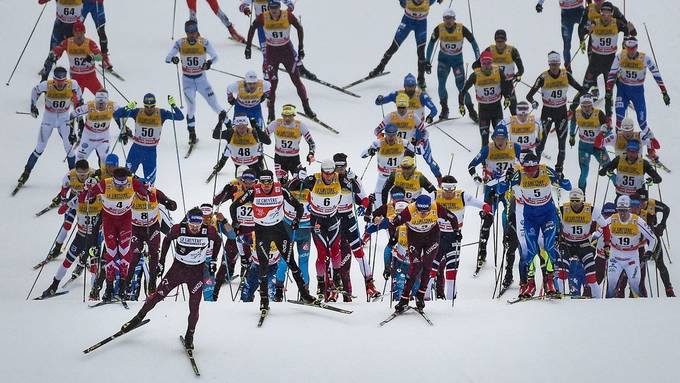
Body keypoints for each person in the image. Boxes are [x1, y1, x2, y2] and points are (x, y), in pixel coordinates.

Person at [120, 208, 222, 350]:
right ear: (187, 220)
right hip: (177, 270)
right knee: (157, 295)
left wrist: (213, 260)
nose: (194, 227)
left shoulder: (209, 231)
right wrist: (161, 261)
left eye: (197, 224)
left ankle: (190, 336)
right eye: (192, 223)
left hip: (196, 273)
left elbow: (218, 241)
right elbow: (167, 240)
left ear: (202, 223)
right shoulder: (178, 229)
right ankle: (136, 319)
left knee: (194, 306)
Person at [229, 170, 317, 312]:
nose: (266, 186)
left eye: (269, 182)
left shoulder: (280, 190)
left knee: (291, 263)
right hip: (262, 232)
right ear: (260, 183)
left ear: (272, 181)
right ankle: (264, 301)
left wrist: (296, 220)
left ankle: (305, 295)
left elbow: (298, 206)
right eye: (263, 183)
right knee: (263, 267)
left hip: (279, 230)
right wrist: (235, 222)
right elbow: (234, 206)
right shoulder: (253, 191)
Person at [497, 152, 572, 298]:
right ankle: (529, 283)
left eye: (532, 169)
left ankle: (549, 281)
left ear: (537, 166)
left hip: (547, 214)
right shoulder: (519, 174)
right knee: (529, 250)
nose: (529, 173)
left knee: (549, 246)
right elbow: (500, 190)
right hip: (529, 216)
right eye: (527, 169)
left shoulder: (546, 171)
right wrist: (507, 179)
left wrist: (561, 179)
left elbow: (568, 186)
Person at [380, 194, 458, 312]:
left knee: (427, 266)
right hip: (414, 239)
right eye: (420, 211)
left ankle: (420, 296)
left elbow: (452, 217)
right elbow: (393, 223)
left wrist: (456, 231)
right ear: (416, 207)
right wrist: (392, 237)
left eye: (425, 211)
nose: (422, 214)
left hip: (432, 238)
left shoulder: (436, 207)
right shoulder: (409, 210)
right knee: (415, 267)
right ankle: (404, 299)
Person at [84, 167, 150, 301]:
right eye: (118, 184)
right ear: (113, 180)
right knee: (111, 253)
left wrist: (145, 191)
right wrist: (89, 194)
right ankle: (108, 289)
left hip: (125, 220)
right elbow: (89, 196)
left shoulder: (132, 182)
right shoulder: (105, 183)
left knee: (125, 251)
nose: (121, 187)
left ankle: (122, 288)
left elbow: (145, 193)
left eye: (123, 184)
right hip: (109, 220)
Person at [245, 0, 316, 121]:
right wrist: (248, 47)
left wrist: (301, 47)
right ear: (269, 8)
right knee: (272, 85)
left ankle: (307, 107)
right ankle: (271, 114)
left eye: (276, 8)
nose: (274, 11)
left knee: (296, 80)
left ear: (279, 7)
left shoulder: (287, 15)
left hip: (286, 51)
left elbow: (299, 28)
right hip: (272, 53)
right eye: (272, 8)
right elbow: (252, 28)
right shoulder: (264, 17)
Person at [467, 123, 521, 269]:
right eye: (497, 138)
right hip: (491, 188)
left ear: (506, 138)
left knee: (510, 217)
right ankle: (482, 252)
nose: (500, 141)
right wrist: (476, 178)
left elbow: (522, 166)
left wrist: (515, 173)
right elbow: (471, 166)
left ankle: (508, 246)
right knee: (488, 219)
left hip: (508, 188)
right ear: (493, 138)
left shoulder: (515, 147)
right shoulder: (487, 149)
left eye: (502, 138)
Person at [18, 67, 83, 187]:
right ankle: (26, 173)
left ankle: (74, 176)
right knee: (40, 147)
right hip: (49, 118)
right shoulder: (46, 85)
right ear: (54, 80)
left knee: (68, 146)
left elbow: (79, 98)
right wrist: (33, 106)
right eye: (58, 81)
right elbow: (34, 91)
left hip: (64, 118)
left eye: (62, 80)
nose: (60, 83)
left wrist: (79, 111)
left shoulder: (72, 84)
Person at [606, 36, 669, 159]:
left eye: (633, 48)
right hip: (623, 90)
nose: (630, 51)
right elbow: (612, 72)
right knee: (619, 120)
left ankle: (651, 149)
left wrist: (664, 92)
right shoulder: (620, 56)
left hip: (637, 91)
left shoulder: (644, 58)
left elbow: (656, 74)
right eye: (628, 48)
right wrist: (608, 90)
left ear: (636, 47)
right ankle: (620, 146)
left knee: (642, 123)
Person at [526, 51, 587, 176]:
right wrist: (533, 102)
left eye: (556, 64)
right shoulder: (543, 77)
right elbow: (529, 95)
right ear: (549, 64)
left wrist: (574, 104)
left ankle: (559, 170)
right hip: (547, 112)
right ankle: (535, 168)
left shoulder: (566, 75)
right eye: (552, 64)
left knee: (562, 144)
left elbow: (581, 90)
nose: (554, 67)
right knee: (541, 142)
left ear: (559, 64)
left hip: (561, 113)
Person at [429, 175, 490, 299]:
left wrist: (486, 209)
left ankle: (451, 300)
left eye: (452, 188)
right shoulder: (435, 195)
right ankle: (425, 298)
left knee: (452, 270)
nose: (449, 192)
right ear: (441, 187)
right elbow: (419, 205)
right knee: (431, 269)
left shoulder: (462, 196)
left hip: (454, 236)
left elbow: (480, 203)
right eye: (446, 188)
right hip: (437, 236)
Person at [39, 176, 101, 299]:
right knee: (68, 261)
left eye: (92, 192)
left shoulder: (101, 200)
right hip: (80, 236)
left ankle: (94, 293)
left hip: (94, 238)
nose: (89, 194)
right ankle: (53, 286)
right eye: (86, 191)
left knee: (94, 266)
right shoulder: (79, 199)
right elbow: (61, 211)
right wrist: (69, 204)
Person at [166, 20, 226, 144]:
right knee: (191, 106)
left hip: (201, 80)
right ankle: (192, 133)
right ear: (186, 33)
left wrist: (209, 63)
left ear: (197, 31)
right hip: (187, 81)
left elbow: (216, 56)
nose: (191, 35)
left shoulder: (204, 42)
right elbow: (168, 58)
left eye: (193, 32)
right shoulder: (180, 43)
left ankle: (230, 126)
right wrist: (174, 58)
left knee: (214, 105)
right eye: (189, 33)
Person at [332, 153, 380, 300]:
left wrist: (370, 204)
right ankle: (332, 287)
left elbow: (363, 199)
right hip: (333, 218)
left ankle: (370, 285)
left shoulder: (352, 178)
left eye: (342, 167)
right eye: (337, 167)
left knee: (358, 252)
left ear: (346, 166)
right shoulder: (328, 178)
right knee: (331, 253)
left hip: (348, 218)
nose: (340, 170)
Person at [368, 0, 443, 89]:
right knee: (393, 47)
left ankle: (421, 79)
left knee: (421, 52)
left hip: (421, 24)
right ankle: (380, 68)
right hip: (407, 22)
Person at [112, 94, 184, 184]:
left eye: (152, 106)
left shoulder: (161, 113)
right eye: (147, 106)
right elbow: (116, 115)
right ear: (144, 105)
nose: (149, 109)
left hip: (150, 152)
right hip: (136, 150)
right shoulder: (137, 112)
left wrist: (173, 105)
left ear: (155, 105)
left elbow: (180, 117)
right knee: (126, 178)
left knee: (150, 182)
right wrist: (127, 107)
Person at [425, 8, 479, 120]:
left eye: (450, 19)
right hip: (443, 60)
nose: (448, 21)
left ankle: (471, 111)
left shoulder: (461, 29)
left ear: (454, 19)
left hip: (457, 61)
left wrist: (478, 59)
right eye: (446, 19)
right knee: (441, 84)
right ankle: (444, 109)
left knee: (461, 86)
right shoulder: (439, 28)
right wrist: (427, 61)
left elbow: (474, 43)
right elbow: (431, 44)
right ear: (443, 19)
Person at [212, 169, 257, 301]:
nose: (248, 184)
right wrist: (225, 189)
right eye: (245, 181)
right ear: (241, 180)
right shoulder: (235, 188)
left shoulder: (259, 191)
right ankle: (214, 295)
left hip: (253, 234)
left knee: (251, 265)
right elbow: (216, 201)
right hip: (237, 231)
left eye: (251, 182)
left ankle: (248, 296)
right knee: (225, 262)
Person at [375, 94, 441, 182]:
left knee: (430, 162)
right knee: (402, 167)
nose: (401, 109)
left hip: (415, 142)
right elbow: (377, 129)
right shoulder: (391, 116)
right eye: (399, 107)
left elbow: (425, 132)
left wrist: (421, 141)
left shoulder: (412, 116)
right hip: (402, 145)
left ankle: (440, 180)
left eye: (403, 107)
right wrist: (380, 135)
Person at [601, 195, 656, 298]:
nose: (622, 213)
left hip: (632, 257)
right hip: (615, 255)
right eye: (620, 210)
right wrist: (601, 245)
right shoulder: (612, 219)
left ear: (629, 209)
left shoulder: (637, 220)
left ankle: (636, 309)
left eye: (625, 210)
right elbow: (599, 233)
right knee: (612, 281)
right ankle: (608, 306)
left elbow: (653, 238)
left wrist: (649, 252)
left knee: (635, 282)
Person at [127, 184, 177, 295]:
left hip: (153, 227)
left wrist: (169, 203)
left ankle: (152, 285)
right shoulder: (130, 193)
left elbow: (172, 206)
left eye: (147, 194)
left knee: (153, 254)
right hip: (137, 229)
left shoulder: (155, 192)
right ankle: (126, 285)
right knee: (134, 256)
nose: (145, 197)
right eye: (142, 194)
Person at [580, 1, 636, 101]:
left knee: (612, 72)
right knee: (592, 66)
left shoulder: (613, 9)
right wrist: (582, 40)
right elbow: (581, 27)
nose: (598, 2)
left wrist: (626, 39)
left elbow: (626, 25)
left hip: (608, 45)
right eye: (596, 0)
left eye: (600, 0)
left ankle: (622, 95)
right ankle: (594, 90)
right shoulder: (589, 9)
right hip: (594, 40)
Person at [557, 188, 606, 297]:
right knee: (562, 273)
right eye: (572, 200)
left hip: (583, 244)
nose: (574, 203)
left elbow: (605, 226)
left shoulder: (592, 210)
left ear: (582, 199)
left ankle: (598, 302)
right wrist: (556, 236)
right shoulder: (562, 209)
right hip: (567, 244)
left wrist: (606, 244)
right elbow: (555, 223)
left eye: (577, 200)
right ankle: (558, 297)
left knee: (591, 277)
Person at [459, 51, 513, 147]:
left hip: (496, 109)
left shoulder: (498, 72)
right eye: (484, 63)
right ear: (481, 64)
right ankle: (484, 161)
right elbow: (463, 91)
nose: (487, 66)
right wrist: (461, 105)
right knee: (484, 140)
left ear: (492, 62)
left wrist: (507, 98)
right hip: (483, 111)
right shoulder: (475, 75)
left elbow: (507, 86)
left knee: (501, 137)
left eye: (489, 63)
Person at [275, 166, 312, 301]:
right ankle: (279, 291)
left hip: (301, 229)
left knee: (293, 261)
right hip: (292, 228)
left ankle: (303, 292)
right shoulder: (296, 185)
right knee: (289, 261)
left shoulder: (293, 185)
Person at [41, 20, 103, 94]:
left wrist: (93, 57)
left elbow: (100, 57)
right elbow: (56, 50)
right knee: (75, 101)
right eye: (76, 33)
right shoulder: (68, 42)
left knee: (102, 95)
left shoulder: (90, 43)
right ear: (73, 33)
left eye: (81, 32)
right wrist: (53, 55)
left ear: (84, 32)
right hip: (76, 77)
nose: (78, 35)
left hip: (90, 76)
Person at [472, 29, 524, 114]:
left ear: (505, 40)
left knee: (513, 105)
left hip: (508, 83)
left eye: (502, 41)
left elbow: (521, 69)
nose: (500, 43)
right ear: (495, 40)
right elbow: (475, 65)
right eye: (498, 41)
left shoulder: (512, 50)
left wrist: (517, 75)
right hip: (494, 83)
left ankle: (516, 123)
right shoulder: (489, 50)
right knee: (493, 107)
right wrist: (481, 74)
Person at [568, 94, 611, 192]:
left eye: (589, 106)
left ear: (592, 105)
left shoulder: (599, 113)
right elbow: (573, 123)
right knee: (584, 172)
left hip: (598, 147)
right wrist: (571, 136)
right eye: (584, 106)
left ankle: (620, 195)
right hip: (584, 147)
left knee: (609, 170)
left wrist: (604, 133)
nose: (586, 108)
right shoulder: (577, 113)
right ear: (580, 105)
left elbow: (608, 127)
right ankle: (581, 197)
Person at [636, 188, 675, 297]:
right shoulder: (633, 206)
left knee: (660, 263)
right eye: (640, 201)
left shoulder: (652, 203)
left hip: (653, 236)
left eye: (644, 201)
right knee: (639, 264)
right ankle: (637, 290)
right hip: (638, 238)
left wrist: (662, 224)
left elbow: (666, 209)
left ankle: (669, 290)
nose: (642, 204)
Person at [264, 104, 316, 183]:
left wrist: (311, 153)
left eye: (290, 116)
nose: (287, 118)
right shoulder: (276, 124)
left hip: (294, 160)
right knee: (282, 183)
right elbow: (262, 137)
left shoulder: (300, 125)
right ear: (282, 115)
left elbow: (311, 143)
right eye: (285, 116)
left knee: (299, 182)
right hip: (279, 159)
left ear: (293, 115)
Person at [70, 89, 118, 168]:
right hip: (88, 138)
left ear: (107, 101)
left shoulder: (112, 105)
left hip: (103, 139)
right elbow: (73, 114)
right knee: (80, 160)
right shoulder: (89, 106)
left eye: (103, 103)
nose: (100, 105)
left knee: (105, 160)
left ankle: (104, 177)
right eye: (98, 102)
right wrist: (72, 132)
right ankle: (77, 178)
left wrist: (124, 130)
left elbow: (122, 113)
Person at [362, 124, 405, 208]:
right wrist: (370, 151)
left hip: (398, 177)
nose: (391, 137)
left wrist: (416, 144)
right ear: (385, 134)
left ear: (396, 134)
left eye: (393, 135)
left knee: (399, 201)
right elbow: (362, 155)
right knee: (379, 202)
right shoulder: (378, 143)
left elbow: (418, 150)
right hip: (383, 176)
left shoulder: (403, 142)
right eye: (389, 135)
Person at [535, 0, 585, 72]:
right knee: (566, 44)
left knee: (593, 31)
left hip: (579, 11)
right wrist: (540, 3)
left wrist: (591, 5)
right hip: (566, 15)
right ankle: (568, 68)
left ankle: (582, 40)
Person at [38, 0, 83, 79]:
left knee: (77, 52)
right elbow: (40, 2)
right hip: (60, 27)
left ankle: (79, 74)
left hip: (75, 28)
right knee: (53, 51)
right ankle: (46, 72)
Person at [81, 0, 113, 69]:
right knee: (76, 29)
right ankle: (76, 56)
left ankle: (104, 58)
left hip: (97, 4)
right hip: (83, 3)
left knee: (101, 31)